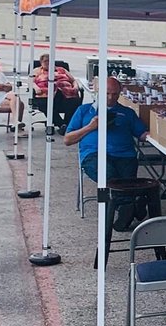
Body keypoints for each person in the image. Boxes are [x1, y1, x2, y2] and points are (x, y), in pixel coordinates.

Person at [64, 76, 149, 230]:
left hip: (125, 155)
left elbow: (142, 134)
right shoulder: (84, 110)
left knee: (126, 182)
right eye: (107, 94)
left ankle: (128, 206)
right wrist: (90, 127)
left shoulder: (127, 113)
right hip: (94, 154)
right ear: (97, 91)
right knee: (110, 176)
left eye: (115, 94)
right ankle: (130, 205)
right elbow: (68, 140)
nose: (111, 98)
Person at [32, 54, 82, 133]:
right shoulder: (37, 71)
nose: (48, 63)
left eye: (50, 61)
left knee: (74, 101)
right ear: (41, 62)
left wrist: (75, 86)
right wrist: (36, 88)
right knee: (45, 104)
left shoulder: (62, 69)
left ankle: (67, 125)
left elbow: (73, 80)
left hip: (66, 93)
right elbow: (31, 81)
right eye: (45, 61)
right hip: (45, 94)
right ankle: (62, 125)